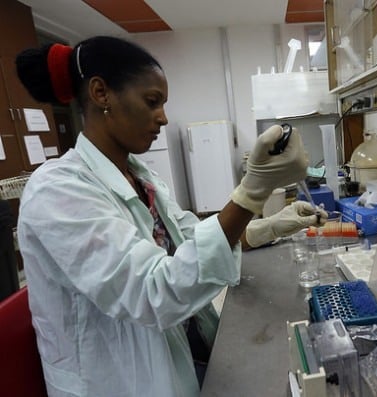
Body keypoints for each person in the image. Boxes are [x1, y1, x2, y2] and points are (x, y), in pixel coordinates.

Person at [15, 36, 326, 397]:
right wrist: (251, 192)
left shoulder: (142, 177)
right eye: (152, 102)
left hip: (179, 352)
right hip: (119, 382)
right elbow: (152, 291)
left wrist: (271, 224)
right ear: (102, 93)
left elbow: (195, 237)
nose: (163, 117)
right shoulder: (56, 191)